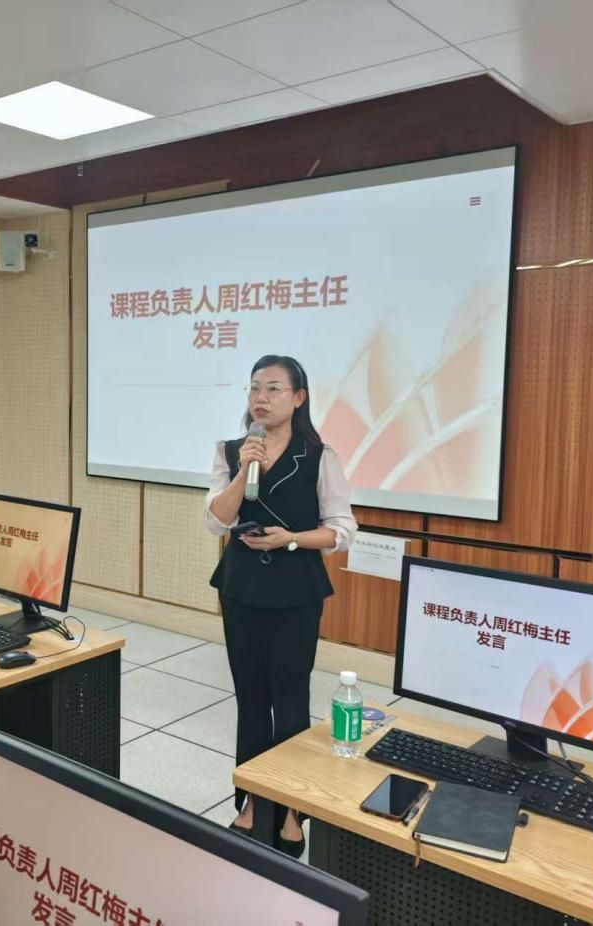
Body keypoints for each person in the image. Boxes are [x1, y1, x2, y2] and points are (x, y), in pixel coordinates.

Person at [203, 355, 357, 858]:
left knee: (290, 699)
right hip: (241, 589)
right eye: (254, 389)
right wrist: (242, 471)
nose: (261, 399)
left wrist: (290, 538)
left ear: (298, 397)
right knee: (250, 699)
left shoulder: (319, 455)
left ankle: (291, 810)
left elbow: (341, 529)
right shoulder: (231, 451)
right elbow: (216, 521)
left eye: (273, 388)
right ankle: (251, 801)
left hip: (296, 591)